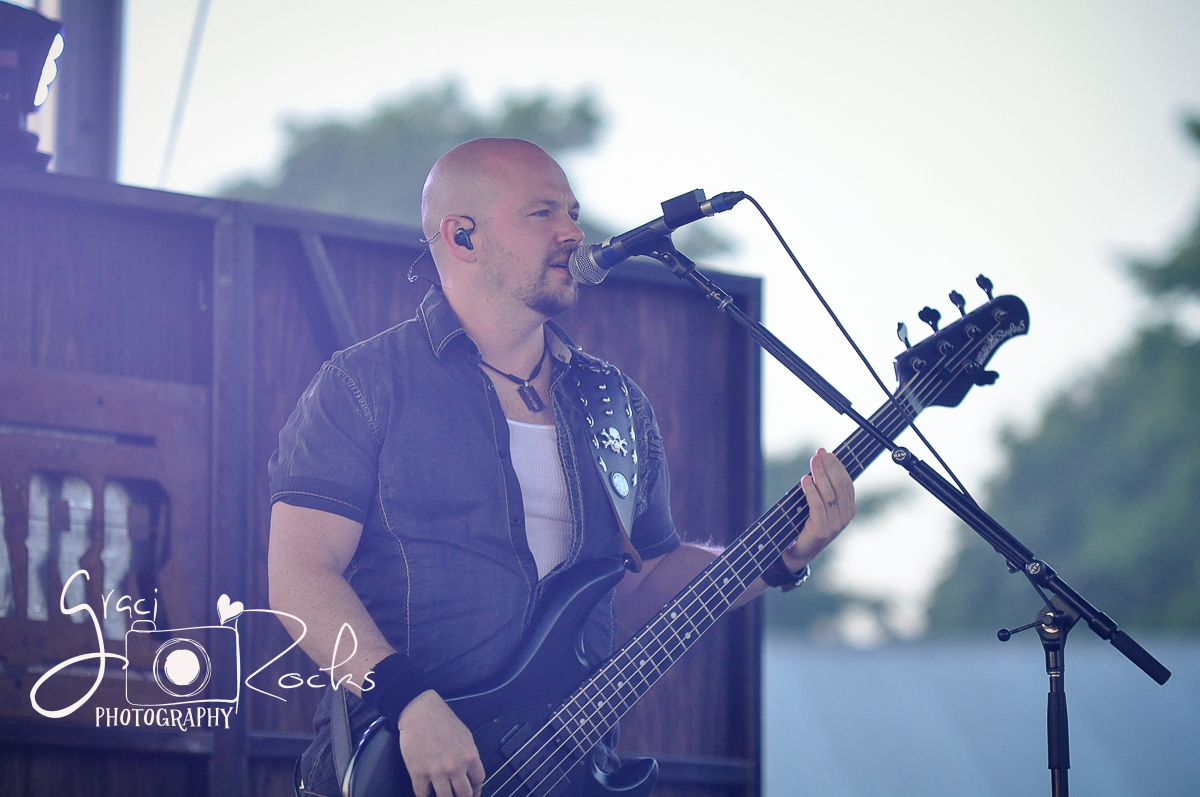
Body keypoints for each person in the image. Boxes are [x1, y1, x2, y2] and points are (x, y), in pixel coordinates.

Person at [267, 138, 856, 797]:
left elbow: (642, 585)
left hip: (563, 772)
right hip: (402, 768)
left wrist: (781, 556)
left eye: (572, 212)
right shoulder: (365, 384)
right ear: (462, 236)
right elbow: (300, 575)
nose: (573, 232)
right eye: (542, 212)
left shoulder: (614, 401)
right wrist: (408, 701)